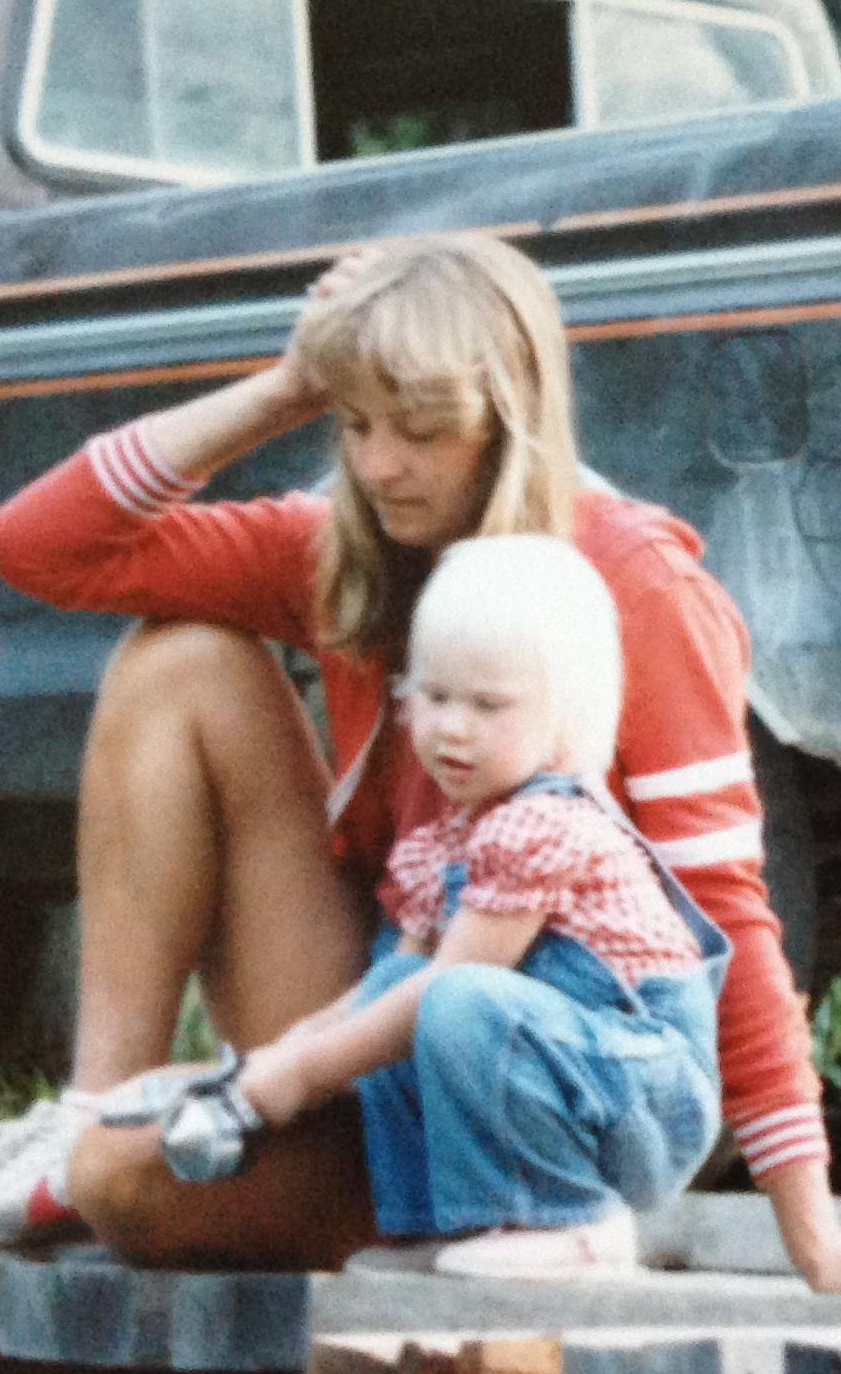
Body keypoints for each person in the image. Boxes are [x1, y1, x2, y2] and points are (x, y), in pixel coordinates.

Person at [0, 232, 841, 1320]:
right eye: (357, 424)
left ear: (509, 418)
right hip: (381, 1018)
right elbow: (37, 549)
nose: (380, 465)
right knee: (173, 659)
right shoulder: (352, 545)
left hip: (530, 1083)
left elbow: (731, 915)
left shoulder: (628, 587)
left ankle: (129, 1170)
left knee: (131, 1186)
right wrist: (288, 384)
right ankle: (85, 1117)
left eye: (421, 429)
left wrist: (820, 1243)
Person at [206, 533, 724, 1278]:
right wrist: (283, 1052)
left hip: (642, 1094)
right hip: (566, 1066)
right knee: (392, 990)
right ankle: (436, 1225)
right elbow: (391, 990)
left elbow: (443, 990)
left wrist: (305, 1076)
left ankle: (583, 1223)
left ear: (564, 719)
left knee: (450, 1000)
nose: (451, 726)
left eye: (488, 706)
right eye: (436, 695)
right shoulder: (452, 832)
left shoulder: (541, 824)